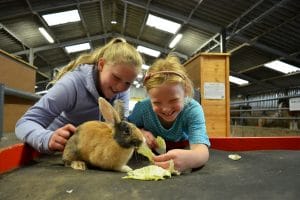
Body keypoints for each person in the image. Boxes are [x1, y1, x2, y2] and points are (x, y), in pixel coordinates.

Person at [15, 37, 143, 154]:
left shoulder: (122, 90)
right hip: (60, 152)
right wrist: (47, 138)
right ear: (101, 65)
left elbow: (121, 125)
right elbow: (25, 123)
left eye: (128, 83)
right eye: (115, 77)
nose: (119, 87)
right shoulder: (72, 84)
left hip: (91, 153)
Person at [128, 55, 210, 172]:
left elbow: (201, 150)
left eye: (173, 100)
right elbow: (128, 126)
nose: (166, 109)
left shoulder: (193, 110)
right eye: (157, 102)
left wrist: (192, 158)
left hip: (183, 149)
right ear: (149, 97)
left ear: (185, 91)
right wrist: (140, 132)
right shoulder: (143, 108)